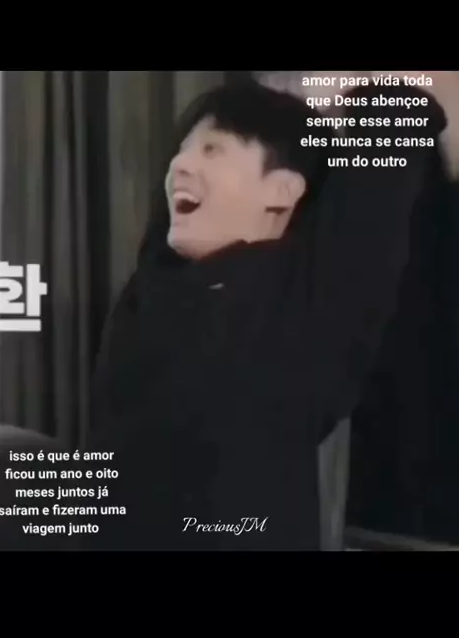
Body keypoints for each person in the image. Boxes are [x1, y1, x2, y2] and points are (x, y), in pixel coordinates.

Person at [86, 80, 447, 550]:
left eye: (212, 149)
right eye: (181, 151)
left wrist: (344, 99)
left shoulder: (309, 302)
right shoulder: (152, 286)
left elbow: (390, 138)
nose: (179, 165)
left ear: (282, 191)